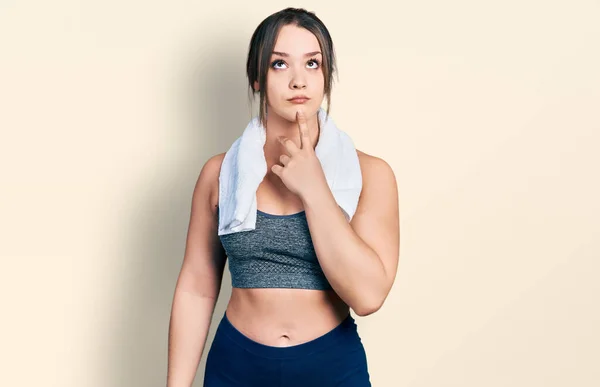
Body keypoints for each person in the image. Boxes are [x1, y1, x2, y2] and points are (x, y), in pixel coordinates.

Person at [167, 7, 399, 387]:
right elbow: (196, 286)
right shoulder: (220, 174)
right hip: (235, 366)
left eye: (312, 64)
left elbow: (369, 296)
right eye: (279, 64)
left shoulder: (371, 174)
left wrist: (315, 189)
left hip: (331, 368)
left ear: (326, 76)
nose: (298, 81)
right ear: (256, 78)